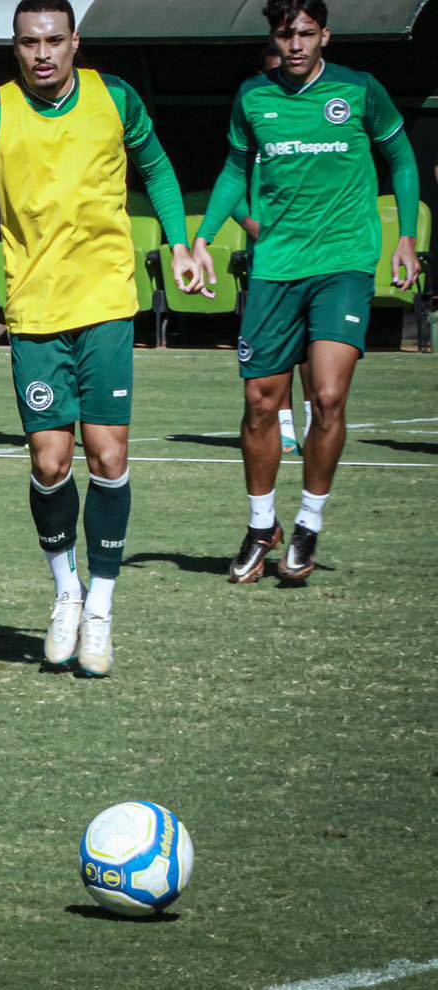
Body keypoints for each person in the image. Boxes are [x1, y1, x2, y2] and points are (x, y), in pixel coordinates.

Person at [0, 0, 202, 677]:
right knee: (50, 463)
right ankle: (66, 593)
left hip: (106, 301)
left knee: (106, 456)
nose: (42, 54)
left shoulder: (116, 99)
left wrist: (182, 242)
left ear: (75, 41)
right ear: (14, 48)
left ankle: (101, 606)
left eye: (53, 40)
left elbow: (158, 170)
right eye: (28, 43)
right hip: (36, 312)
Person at [188, 0, 422, 584]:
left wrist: (409, 238)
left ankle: (310, 521)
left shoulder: (361, 90)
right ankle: (262, 524)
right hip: (274, 269)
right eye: (285, 34)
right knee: (262, 403)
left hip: (343, 262)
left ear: (325, 37)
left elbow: (401, 155)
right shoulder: (253, 97)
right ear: (274, 37)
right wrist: (200, 239)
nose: (294, 44)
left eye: (306, 34)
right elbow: (234, 171)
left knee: (328, 394)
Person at [233, 41, 313, 456]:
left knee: (313, 350)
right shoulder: (253, 124)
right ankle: (283, 429)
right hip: (270, 257)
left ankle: (315, 421)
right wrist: (253, 226)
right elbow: (229, 188)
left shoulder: (312, 126)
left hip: (315, 253)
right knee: (277, 351)